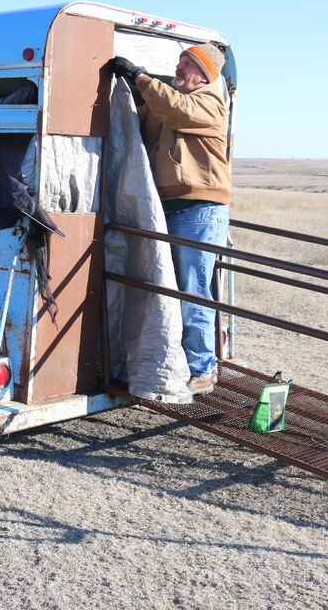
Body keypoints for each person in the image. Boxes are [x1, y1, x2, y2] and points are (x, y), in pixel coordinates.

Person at [110, 44, 231, 395]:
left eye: (187, 64)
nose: (179, 68)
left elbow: (176, 109)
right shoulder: (175, 103)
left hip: (199, 210)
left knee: (192, 290)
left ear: (205, 74)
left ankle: (203, 368)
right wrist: (136, 95)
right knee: (170, 291)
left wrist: (140, 77)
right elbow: (146, 124)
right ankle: (174, 362)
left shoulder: (208, 103)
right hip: (171, 209)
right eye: (179, 61)